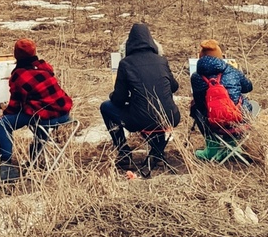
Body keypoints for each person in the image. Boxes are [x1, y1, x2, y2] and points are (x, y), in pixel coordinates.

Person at [101, 22, 180, 170]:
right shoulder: (162, 61)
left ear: (129, 45)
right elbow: (174, 87)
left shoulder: (126, 64)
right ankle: (157, 153)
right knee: (154, 114)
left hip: (141, 119)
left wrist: (118, 96)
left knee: (106, 107)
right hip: (171, 116)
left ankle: (124, 152)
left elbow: (119, 99)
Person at [0, 38, 73, 164]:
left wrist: (4, 113)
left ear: (16, 55)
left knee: (4, 124)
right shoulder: (45, 67)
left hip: (47, 117)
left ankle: (6, 163)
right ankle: (36, 158)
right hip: (63, 114)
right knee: (38, 112)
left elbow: (14, 106)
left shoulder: (19, 75)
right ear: (34, 52)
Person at [190, 39, 254, 161]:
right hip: (240, 121)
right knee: (244, 101)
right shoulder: (232, 70)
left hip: (214, 124)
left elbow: (200, 103)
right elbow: (248, 87)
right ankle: (232, 145)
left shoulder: (196, 77)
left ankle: (212, 149)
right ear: (220, 57)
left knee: (195, 107)